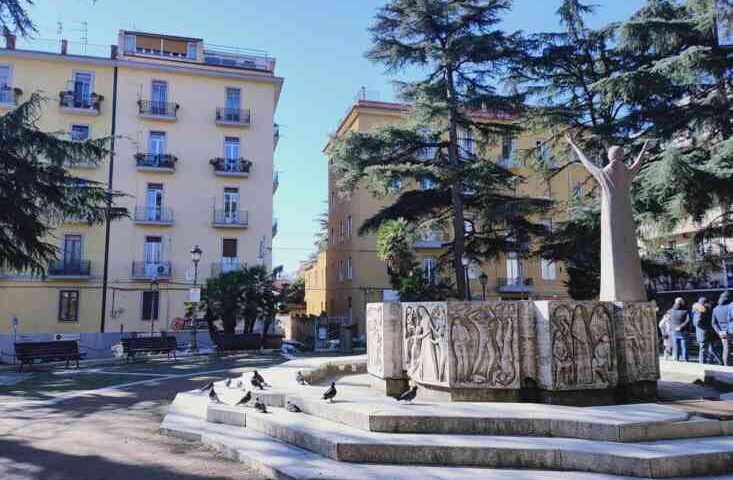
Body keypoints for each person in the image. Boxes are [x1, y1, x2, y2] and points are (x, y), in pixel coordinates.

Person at [692, 297, 715, 364]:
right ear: (705, 303)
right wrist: (707, 328)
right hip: (703, 333)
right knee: (703, 350)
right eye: (708, 303)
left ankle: (705, 363)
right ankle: (702, 364)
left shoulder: (700, 310)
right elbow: (697, 322)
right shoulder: (700, 310)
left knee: (705, 350)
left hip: (703, 333)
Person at [713, 291, 732, 366]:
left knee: (726, 349)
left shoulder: (715, 309)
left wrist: (719, 332)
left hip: (723, 333)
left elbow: (714, 323)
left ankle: (726, 366)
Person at [668, 297, 690, 362]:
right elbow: (688, 320)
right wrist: (680, 326)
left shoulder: (671, 310)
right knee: (684, 346)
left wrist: (674, 327)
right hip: (683, 331)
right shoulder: (685, 311)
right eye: (683, 301)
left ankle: (676, 359)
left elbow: (669, 320)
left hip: (674, 330)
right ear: (681, 302)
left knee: (676, 346)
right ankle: (685, 360)